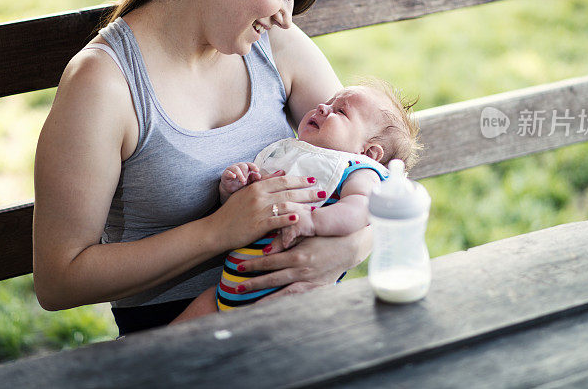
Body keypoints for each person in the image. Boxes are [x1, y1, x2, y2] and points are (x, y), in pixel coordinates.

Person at [33, 0, 372, 336]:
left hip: (298, 323)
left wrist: (350, 248)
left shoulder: (278, 49)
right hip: (179, 345)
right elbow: (58, 279)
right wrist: (219, 231)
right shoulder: (105, 86)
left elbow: (379, 166)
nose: (286, 17)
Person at [170, 80, 420, 320]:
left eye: (340, 112)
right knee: (168, 347)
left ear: (368, 152)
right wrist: (235, 188)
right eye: (327, 102)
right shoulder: (289, 152)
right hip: (226, 290)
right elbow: (243, 211)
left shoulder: (357, 169)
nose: (323, 107)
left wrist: (313, 221)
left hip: (287, 299)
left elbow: (362, 208)